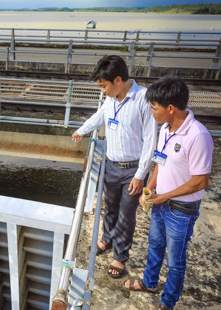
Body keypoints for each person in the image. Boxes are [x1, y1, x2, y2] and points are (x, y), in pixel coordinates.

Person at [123, 76, 214, 310]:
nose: (152, 112)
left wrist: (164, 196)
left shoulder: (198, 135)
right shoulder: (165, 128)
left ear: (170, 108)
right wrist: (150, 188)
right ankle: (150, 283)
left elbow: (201, 181)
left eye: (154, 108)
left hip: (181, 211)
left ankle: (168, 303)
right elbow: (159, 162)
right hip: (160, 205)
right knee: (154, 245)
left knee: (175, 262)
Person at [72, 55, 157, 278]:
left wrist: (141, 175)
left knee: (126, 214)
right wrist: (80, 130)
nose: (102, 91)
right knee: (109, 207)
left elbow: (150, 140)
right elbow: (99, 117)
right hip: (111, 165)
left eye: (104, 86)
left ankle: (120, 257)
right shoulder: (110, 99)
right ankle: (107, 238)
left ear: (118, 80)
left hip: (133, 170)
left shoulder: (143, 99)